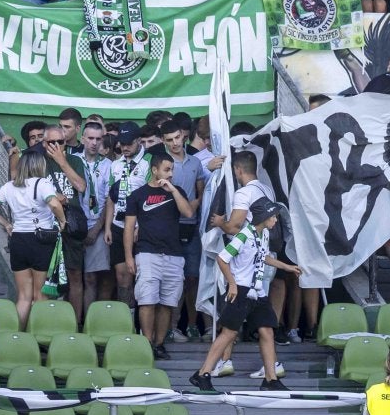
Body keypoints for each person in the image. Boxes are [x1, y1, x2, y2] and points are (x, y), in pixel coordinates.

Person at [190, 198, 298, 393]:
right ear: (263, 216)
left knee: (267, 331)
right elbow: (222, 259)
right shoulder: (243, 236)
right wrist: (231, 283)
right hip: (240, 289)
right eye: (272, 216)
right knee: (229, 333)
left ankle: (270, 379)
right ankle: (202, 373)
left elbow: (263, 257)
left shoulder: (263, 234)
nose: (275, 219)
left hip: (258, 291)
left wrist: (287, 267)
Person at [124, 151, 197, 360]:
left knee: (167, 303)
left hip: (174, 254)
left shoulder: (177, 191)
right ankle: (146, 343)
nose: (170, 173)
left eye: (172, 169)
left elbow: (188, 213)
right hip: (147, 253)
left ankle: (159, 344)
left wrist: (172, 190)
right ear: (154, 170)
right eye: (166, 169)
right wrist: (129, 257)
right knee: (147, 300)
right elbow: (129, 228)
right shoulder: (138, 195)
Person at [0, 149, 65, 330]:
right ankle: (37, 338)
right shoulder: (43, 183)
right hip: (41, 240)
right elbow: (54, 203)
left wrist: (6, 224)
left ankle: (17, 335)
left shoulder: (10, 186)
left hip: (19, 239)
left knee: (23, 296)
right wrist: (62, 220)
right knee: (40, 295)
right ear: (40, 166)